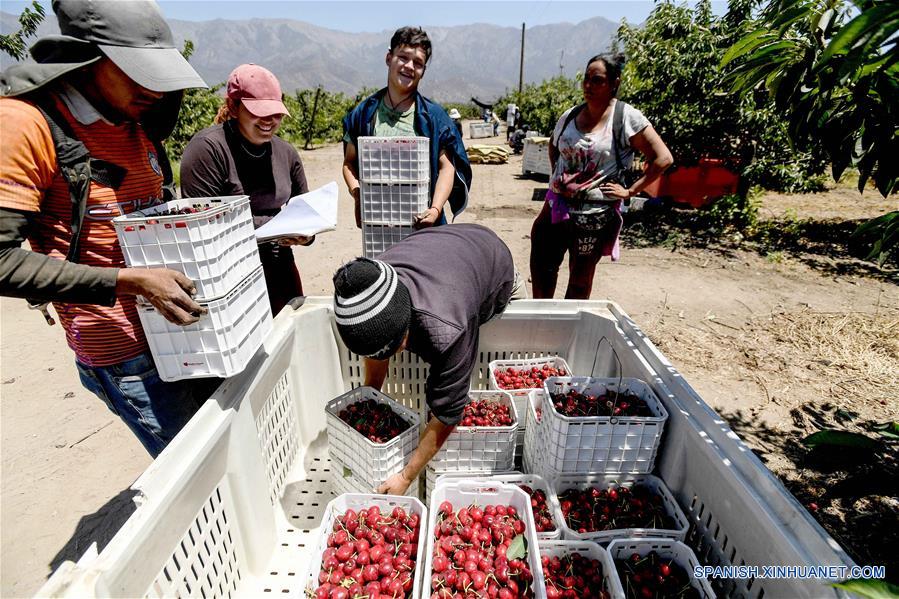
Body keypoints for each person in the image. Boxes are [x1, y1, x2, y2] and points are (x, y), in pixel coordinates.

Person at [0, 0, 215, 457]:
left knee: (219, 448)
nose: (152, 88)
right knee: (198, 476)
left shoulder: (137, 116)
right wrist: (130, 281)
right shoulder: (27, 124)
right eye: (137, 70)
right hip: (125, 353)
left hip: (177, 333)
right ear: (86, 58)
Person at [332, 224, 526, 495]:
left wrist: (405, 476)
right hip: (442, 248)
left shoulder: (448, 329)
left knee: (497, 316)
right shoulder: (372, 283)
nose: (391, 353)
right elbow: (376, 345)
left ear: (406, 322)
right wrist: (371, 398)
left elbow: (447, 415)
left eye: (395, 345)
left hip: (491, 258)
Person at [530, 53, 673, 299]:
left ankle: (570, 334)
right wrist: (558, 178)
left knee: (579, 282)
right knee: (542, 269)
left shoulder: (626, 118)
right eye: (586, 79)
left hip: (593, 217)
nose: (588, 86)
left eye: (597, 80)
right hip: (555, 209)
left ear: (614, 83)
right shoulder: (570, 115)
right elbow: (554, 145)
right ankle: (543, 329)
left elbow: (663, 158)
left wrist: (630, 192)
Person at [180, 64, 311, 315]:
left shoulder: (287, 153)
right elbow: (202, 225)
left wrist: (306, 235)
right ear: (233, 107)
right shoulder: (208, 150)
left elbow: (306, 212)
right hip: (229, 276)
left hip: (280, 271)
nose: (270, 121)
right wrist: (276, 226)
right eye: (259, 112)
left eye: (276, 113)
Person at [343, 27, 471, 229]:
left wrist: (436, 209)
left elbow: (446, 167)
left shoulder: (434, 117)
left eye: (418, 63)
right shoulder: (365, 113)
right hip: (379, 222)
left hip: (423, 222)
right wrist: (358, 195)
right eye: (403, 57)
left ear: (423, 71)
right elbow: (349, 162)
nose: (410, 66)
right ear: (388, 58)